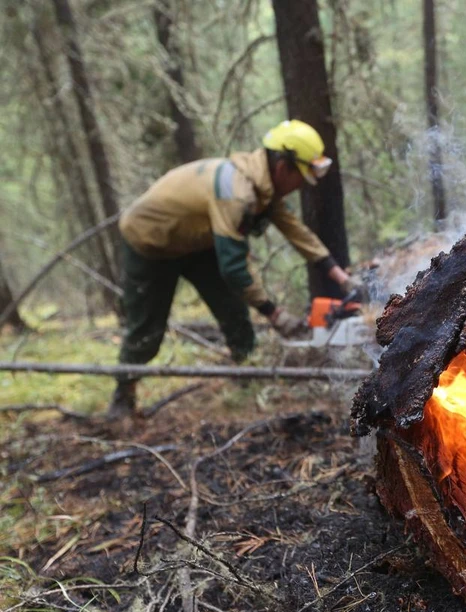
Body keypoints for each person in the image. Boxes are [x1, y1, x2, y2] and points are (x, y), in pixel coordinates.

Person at [106, 120, 358, 418]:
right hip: (150, 243)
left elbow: (298, 232)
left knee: (234, 312)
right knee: (146, 331)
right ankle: (123, 397)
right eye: (301, 177)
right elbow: (235, 267)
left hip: (195, 242)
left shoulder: (262, 185)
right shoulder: (237, 193)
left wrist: (342, 279)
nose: (301, 185)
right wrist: (275, 315)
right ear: (283, 167)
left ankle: (249, 379)